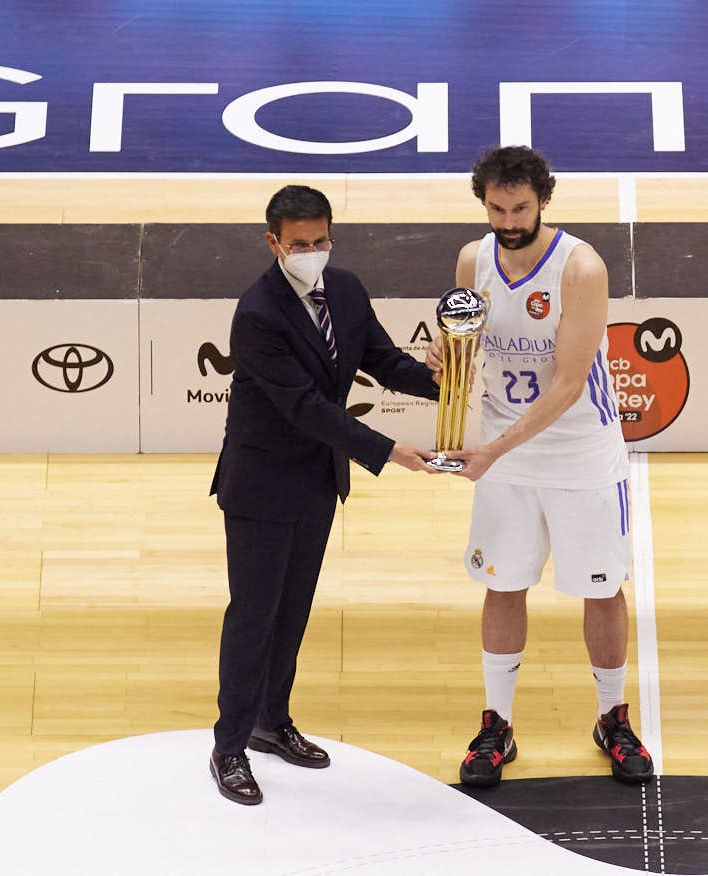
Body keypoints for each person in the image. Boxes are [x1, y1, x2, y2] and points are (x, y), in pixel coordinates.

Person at [208, 184, 442, 805]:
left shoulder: (346, 288)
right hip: (261, 485)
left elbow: (384, 361)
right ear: (274, 243)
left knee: (293, 613)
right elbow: (305, 407)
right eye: (299, 245)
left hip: (315, 480)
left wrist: (447, 381)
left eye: (321, 241)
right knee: (253, 617)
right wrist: (390, 450)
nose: (312, 252)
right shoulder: (257, 312)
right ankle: (229, 747)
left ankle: (270, 721)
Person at [433, 146, 654, 787]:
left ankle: (612, 716)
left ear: (543, 201)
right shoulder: (473, 260)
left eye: (520, 208)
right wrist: (446, 363)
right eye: (497, 208)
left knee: (600, 589)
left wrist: (492, 452)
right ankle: (496, 725)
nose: (508, 221)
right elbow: (467, 347)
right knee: (503, 584)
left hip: (582, 455)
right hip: (502, 457)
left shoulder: (580, 267)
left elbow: (566, 383)